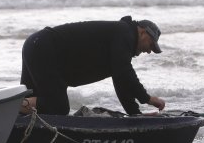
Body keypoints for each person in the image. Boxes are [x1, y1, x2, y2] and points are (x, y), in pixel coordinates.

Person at [19, 15, 166, 116]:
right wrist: (147, 98)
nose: (148, 51)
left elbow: (121, 82)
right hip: (44, 48)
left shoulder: (119, 44)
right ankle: (3, 109)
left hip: (36, 45)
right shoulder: (125, 32)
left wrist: (136, 115)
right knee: (57, 107)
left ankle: (6, 116)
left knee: (32, 107)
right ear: (142, 32)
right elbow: (125, 72)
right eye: (150, 45)